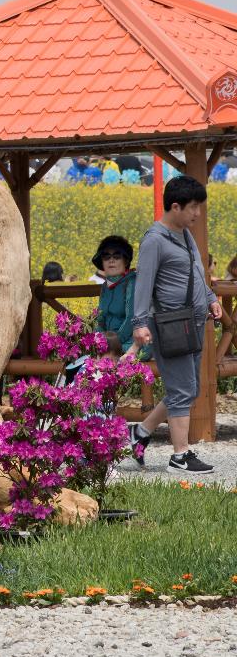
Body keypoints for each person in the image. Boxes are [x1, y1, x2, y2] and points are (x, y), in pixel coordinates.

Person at [124, 175, 222, 476]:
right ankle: (180, 456)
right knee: (182, 390)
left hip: (192, 321)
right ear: (175, 206)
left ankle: (140, 433)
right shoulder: (154, 240)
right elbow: (143, 284)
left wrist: (210, 297)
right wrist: (140, 323)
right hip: (169, 323)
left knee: (187, 389)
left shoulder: (184, 233)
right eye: (193, 208)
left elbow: (195, 272)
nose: (198, 214)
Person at [92, 235, 137, 356]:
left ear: (126, 261)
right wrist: (99, 340)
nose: (111, 260)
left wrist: (111, 344)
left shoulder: (132, 282)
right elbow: (100, 319)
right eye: (106, 257)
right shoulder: (105, 287)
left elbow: (131, 320)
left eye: (117, 256)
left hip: (130, 343)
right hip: (109, 345)